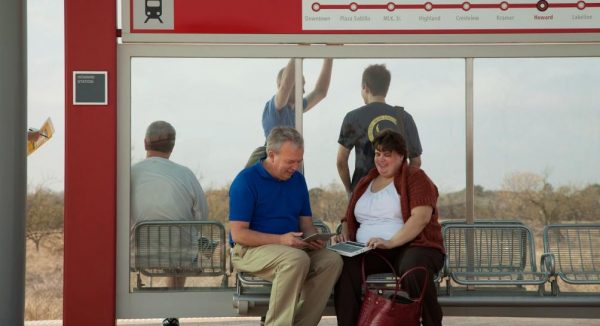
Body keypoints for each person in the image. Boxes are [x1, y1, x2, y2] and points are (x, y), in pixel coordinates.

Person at [230, 127, 343, 326]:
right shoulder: (245, 181)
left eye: (299, 161)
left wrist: (313, 238)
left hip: (291, 247)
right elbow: (239, 234)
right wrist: (281, 240)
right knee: (296, 259)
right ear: (271, 155)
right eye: (290, 161)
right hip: (250, 251)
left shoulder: (298, 181)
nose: (295, 167)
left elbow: (306, 225)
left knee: (332, 260)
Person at [334, 129, 445, 326]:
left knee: (414, 268)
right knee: (345, 267)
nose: (381, 159)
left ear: (401, 156)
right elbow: (348, 217)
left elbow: (421, 217)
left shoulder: (415, 177)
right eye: (378, 154)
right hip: (372, 250)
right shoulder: (366, 181)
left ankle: (431, 322)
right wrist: (344, 234)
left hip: (413, 246)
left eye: (387, 154)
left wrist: (390, 242)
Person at [130, 121, 208, 326]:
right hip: (180, 257)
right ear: (172, 146)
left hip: (134, 255)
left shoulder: (127, 174)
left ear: (145, 143)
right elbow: (203, 218)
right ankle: (172, 311)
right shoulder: (186, 174)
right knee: (190, 243)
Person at [337, 63, 423, 196]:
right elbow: (416, 161)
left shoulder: (353, 117)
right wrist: (405, 186)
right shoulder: (404, 117)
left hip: (363, 191)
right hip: (396, 192)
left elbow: (341, 161)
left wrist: (350, 190)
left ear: (365, 87)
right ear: (386, 88)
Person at [246, 58, 333, 167]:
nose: (303, 91)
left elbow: (320, 92)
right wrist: (300, 50)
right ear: (279, 84)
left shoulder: (296, 109)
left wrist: (329, 57)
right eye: (300, 85)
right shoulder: (275, 109)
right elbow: (285, 87)